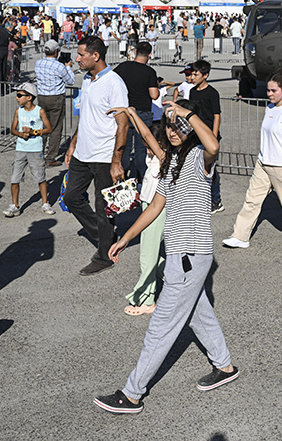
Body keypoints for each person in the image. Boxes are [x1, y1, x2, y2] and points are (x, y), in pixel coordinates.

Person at [95, 100, 238, 415]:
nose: (173, 131)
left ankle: (132, 394)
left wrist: (186, 115)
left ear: (190, 126)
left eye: (179, 126)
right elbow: (154, 207)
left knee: (161, 326)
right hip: (180, 256)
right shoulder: (171, 164)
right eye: (170, 126)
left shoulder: (201, 159)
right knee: (199, 314)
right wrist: (126, 238)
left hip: (189, 254)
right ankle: (225, 367)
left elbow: (213, 143)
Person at [222, 68, 282, 250]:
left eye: (274, 91)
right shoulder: (270, 108)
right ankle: (240, 236)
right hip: (263, 163)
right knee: (252, 200)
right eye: (268, 90)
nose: (270, 94)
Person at [62, 36, 129, 275]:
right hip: (82, 153)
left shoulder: (114, 83)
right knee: (71, 198)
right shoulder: (88, 81)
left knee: (104, 210)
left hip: (104, 156)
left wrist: (117, 161)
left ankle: (104, 256)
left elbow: (123, 124)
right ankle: (106, 237)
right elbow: (87, 116)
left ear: (96, 56)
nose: (77, 59)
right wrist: (73, 144)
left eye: (81, 55)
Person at [120, 120, 169, 317]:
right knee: (152, 254)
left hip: (157, 209)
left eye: (149, 144)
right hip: (147, 205)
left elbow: (150, 138)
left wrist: (131, 113)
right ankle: (179, 279)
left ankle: (146, 299)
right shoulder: (152, 158)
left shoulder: (164, 158)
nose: (146, 147)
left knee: (147, 255)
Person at [113, 41, 160, 184]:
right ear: (150, 55)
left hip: (125, 111)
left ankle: (122, 177)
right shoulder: (149, 72)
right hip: (143, 112)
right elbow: (154, 95)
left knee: (124, 147)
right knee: (141, 149)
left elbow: (112, 81)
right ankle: (142, 179)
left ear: (135, 52)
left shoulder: (123, 67)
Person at [4, 82, 52, 217]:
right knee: (15, 177)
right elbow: (13, 129)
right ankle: (15, 205)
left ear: (29, 97)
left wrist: (33, 132)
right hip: (20, 148)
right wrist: (21, 134)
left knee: (40, 177)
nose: (16, 97)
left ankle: (45, 202)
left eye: (19, 95)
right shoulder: (18, 111)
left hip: (36, 149)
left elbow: (49, 129)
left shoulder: (39, 111)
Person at [186, 60, 223, 213]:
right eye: (192, 74)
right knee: (195, 167)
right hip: (194, 135)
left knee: (210, 168)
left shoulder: (212, 93)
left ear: (205, 75)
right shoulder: (192, 92)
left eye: (196, 74)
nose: (193, 77)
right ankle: (199, 198)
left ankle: (216, 200)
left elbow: (216, 115)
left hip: (209, 136)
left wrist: (213, 136)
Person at [34, 39, 75, 167]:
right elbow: (70, 81)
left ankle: (39, 153)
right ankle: (50, 157)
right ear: (56, 51)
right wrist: (68, 67)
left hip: (42, 97)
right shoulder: (59, 66)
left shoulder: (38, 63)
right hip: (56, 97)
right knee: (56, 128)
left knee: (43, 126)